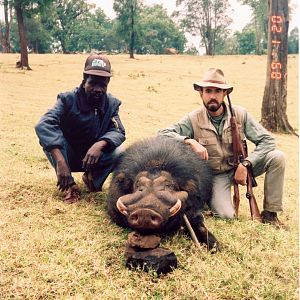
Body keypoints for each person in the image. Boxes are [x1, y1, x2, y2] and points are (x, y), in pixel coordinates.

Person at [158, 68, 286, 228]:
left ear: (224, 94)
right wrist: (189, 141)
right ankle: (210, 199)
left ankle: (270, 214)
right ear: (201, 93)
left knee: (277, 157)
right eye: (208, 91)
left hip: (241, 166)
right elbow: (162, 134)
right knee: (226, 216)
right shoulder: (193, 118)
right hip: (216, 175)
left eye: (218, 91)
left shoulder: (240, 114)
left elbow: (267, 140)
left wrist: (246, 164)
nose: (213, 96)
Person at [35, 54, 126, 203]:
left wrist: (100, 144)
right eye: (92, 83)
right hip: (68, 155)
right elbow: (44, 124)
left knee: (119, 151)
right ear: (84, 81)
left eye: (102, 85)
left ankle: (93, 180)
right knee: (51, 143)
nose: (97, 89)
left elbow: (118, 131)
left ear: (108, 83)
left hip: (93, 158)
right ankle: (70, 186)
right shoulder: (67, 99)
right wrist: (61, 162)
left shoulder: (112, 104)